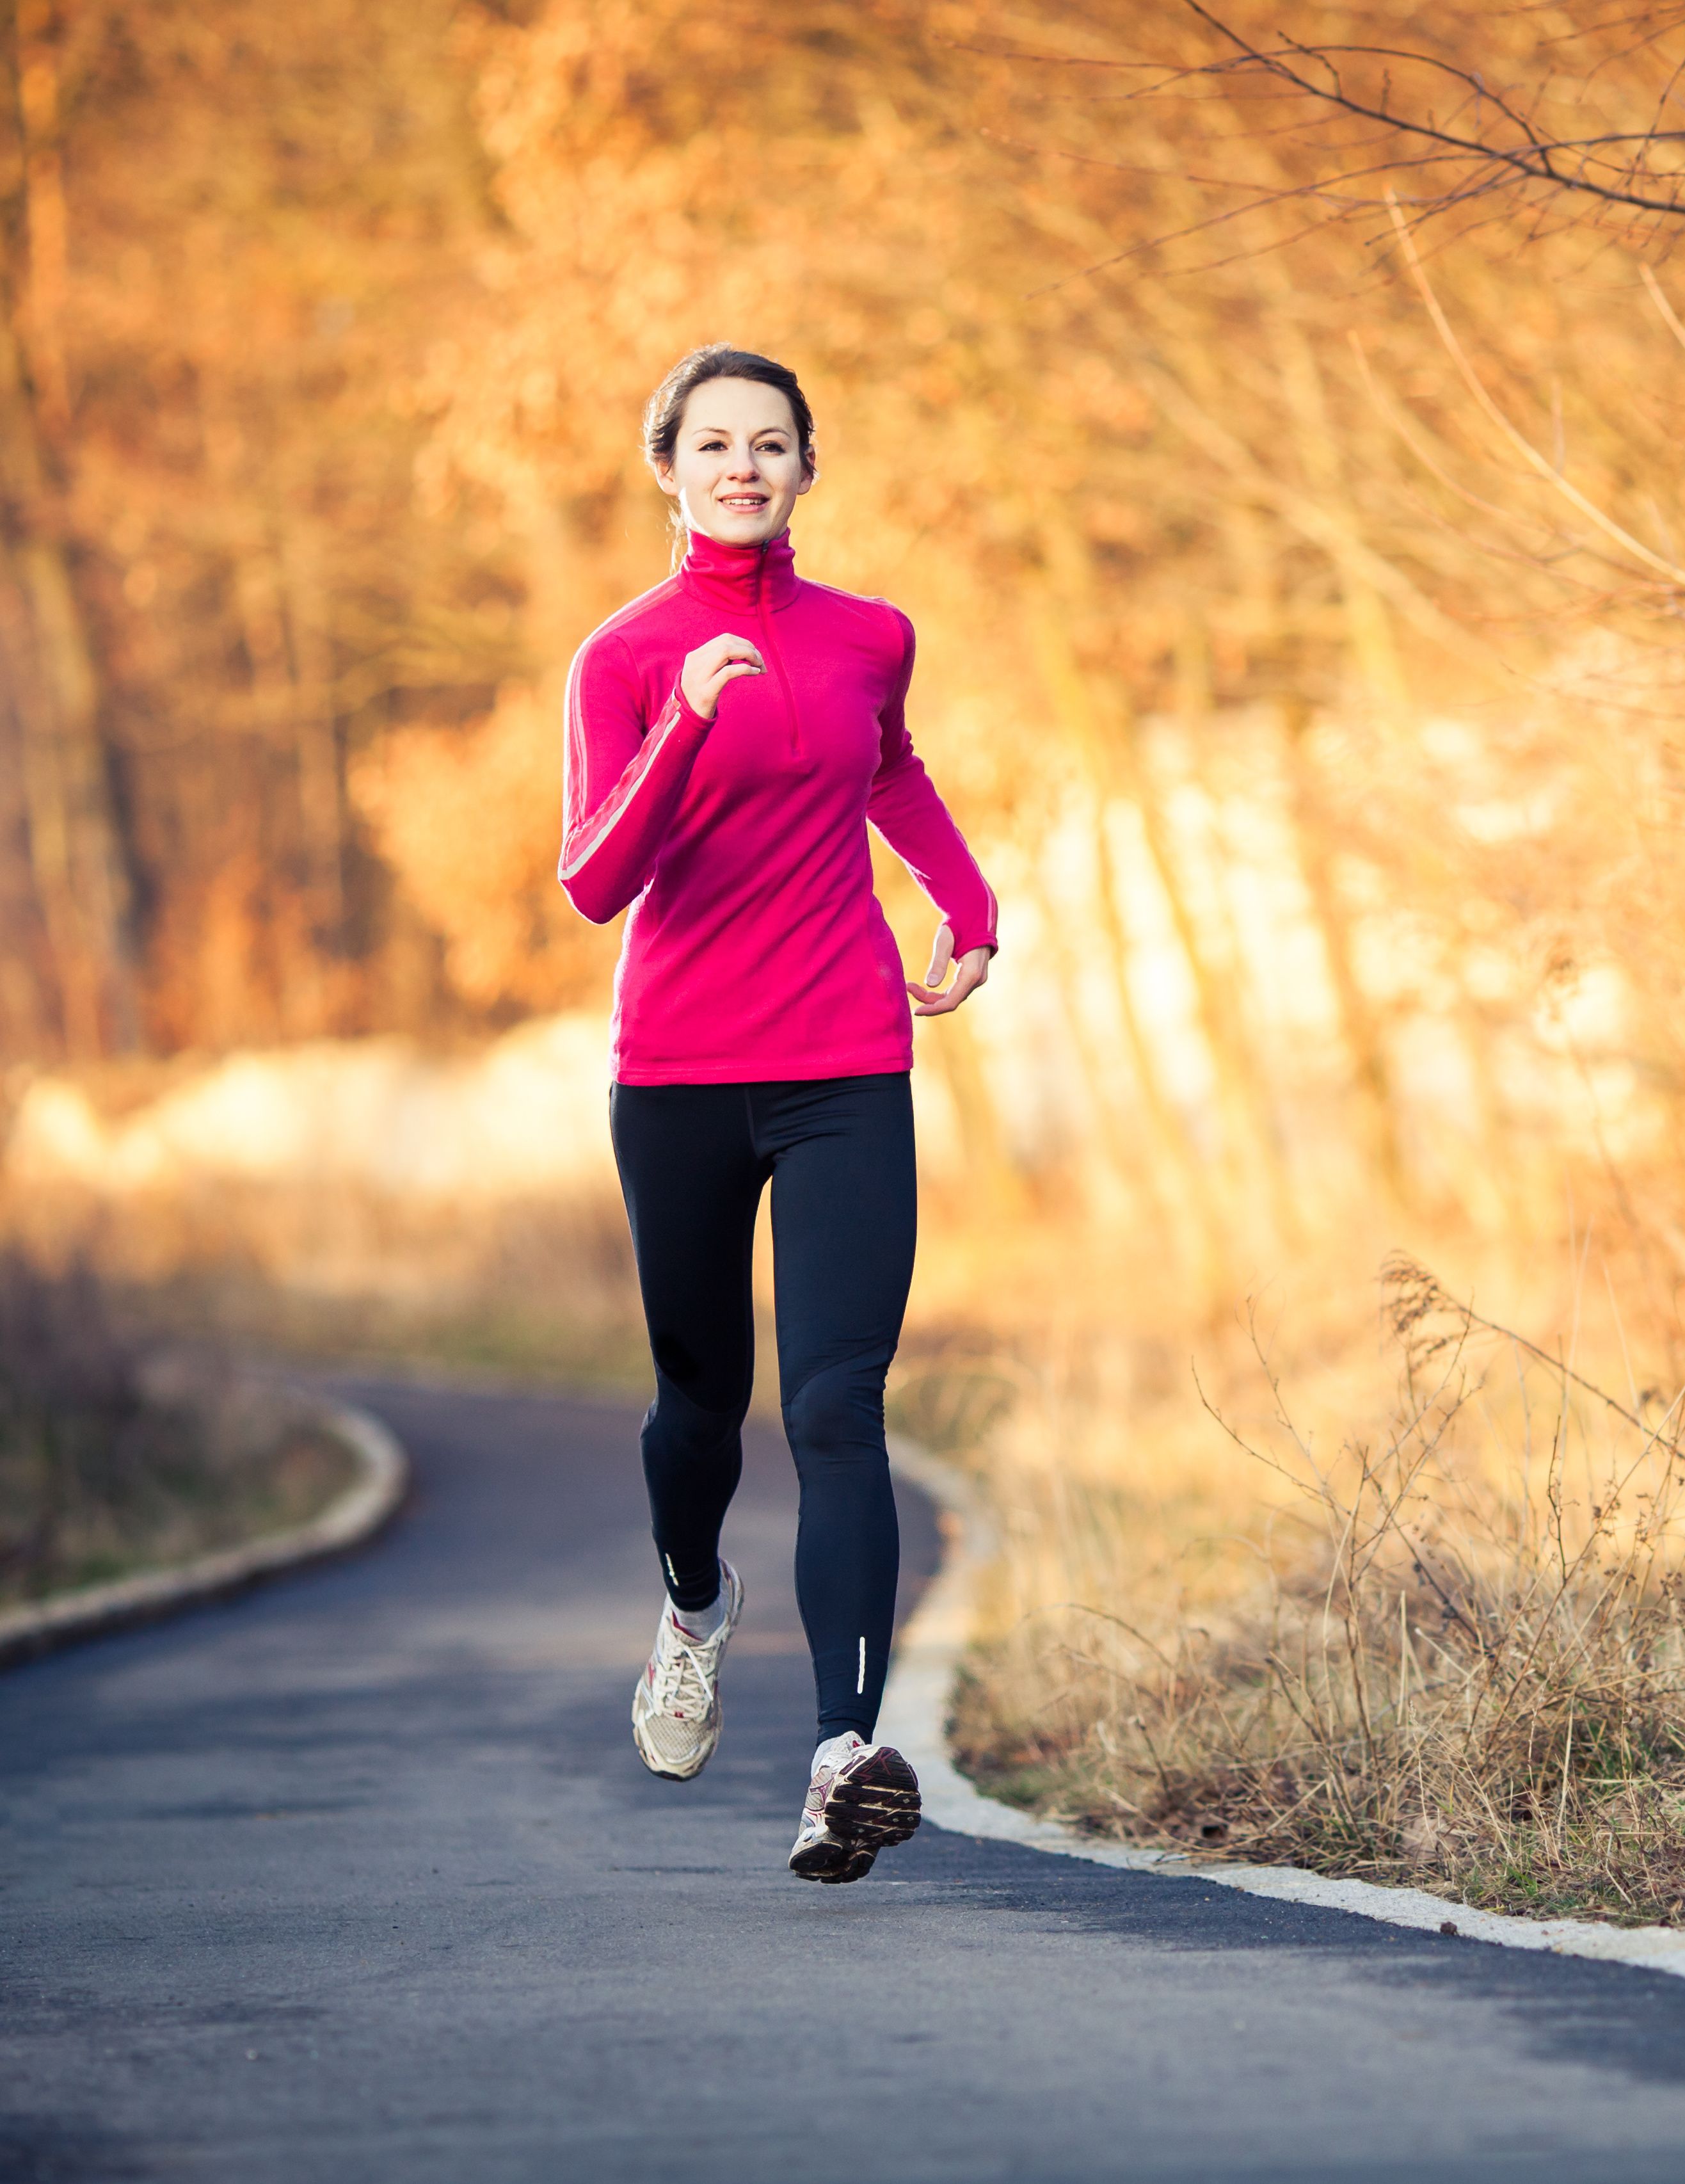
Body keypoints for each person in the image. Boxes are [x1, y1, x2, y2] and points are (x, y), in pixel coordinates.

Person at [558, 344, 997, 1882]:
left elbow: (894, 768)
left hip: (845, 1063)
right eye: (714, 443)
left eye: (773, 443)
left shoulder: (872, 636)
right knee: (699, 1407)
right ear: (667, 469)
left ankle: (839, 1758)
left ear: (810, 467)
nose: (744, 465)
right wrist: (681, 721)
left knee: (834, 1405)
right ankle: (693, 1606)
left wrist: (968, 894)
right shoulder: (621, 658)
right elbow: (596, 876)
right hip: (678, 1074)